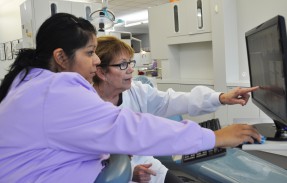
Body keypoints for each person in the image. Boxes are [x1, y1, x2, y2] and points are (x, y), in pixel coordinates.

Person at [0, 13, 261, 183]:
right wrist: (213, 138)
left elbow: (170, 102)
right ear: (60, 57)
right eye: (90, 53)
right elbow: (126, 128)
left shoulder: (30, 84)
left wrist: (220, 97)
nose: (96, 59)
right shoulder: (56, 90)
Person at [93, 35, 260, 183]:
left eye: (130, 62)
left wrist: (221, 98)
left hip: (150, 167)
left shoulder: (135, 91)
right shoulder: (88, 108)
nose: (130, 69)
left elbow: (171, 101)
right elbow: (89, 164)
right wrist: (129, 173)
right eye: (122, 64)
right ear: (101, 72)